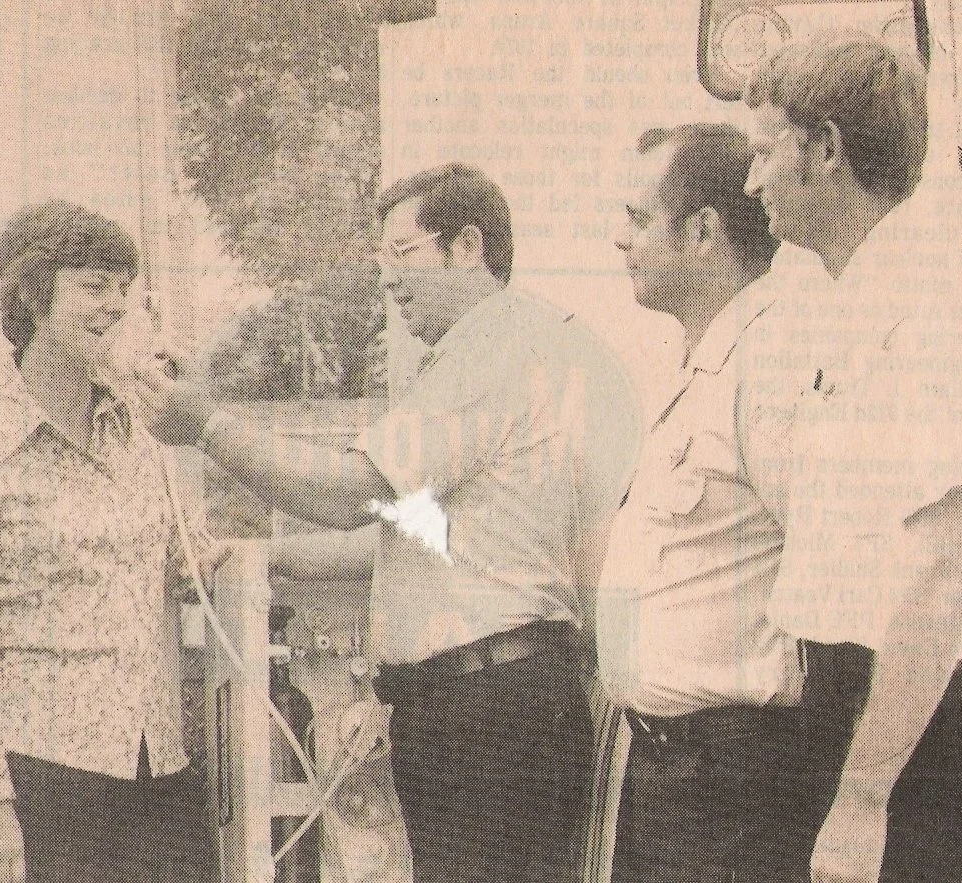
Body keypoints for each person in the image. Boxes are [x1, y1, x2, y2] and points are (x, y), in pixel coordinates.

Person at [127, 163, 641, 883]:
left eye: (403, 254)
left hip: (490, 710)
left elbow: (353, 492)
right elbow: (421, 535)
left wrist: (207, 427)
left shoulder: (490, 350)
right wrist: (265, 555)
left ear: (468, 246)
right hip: (491, 700)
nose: (388, 279)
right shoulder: (494, 350)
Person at [743, 32, 962, 883]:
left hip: (930, 739)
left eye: (762, 152)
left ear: (824, 149)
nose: (750, 180)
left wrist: (864, 799)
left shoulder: (927, 302)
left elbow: (942, 574)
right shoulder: (849, 295)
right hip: (870, 711)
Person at [0, 200, 216, 883]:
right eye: (92, 285)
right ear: (30, 297)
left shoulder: (135, 435)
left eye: (122, 288)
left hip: (152, 763)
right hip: (36, 774)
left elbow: (183, 564)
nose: (114, 305)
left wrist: (185, 410)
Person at [597, 123, 843, 882]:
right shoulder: (705, 358)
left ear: (702, 230)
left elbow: (835, 577)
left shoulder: (767, 361)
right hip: (668, 770)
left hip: (731, 779)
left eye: (637, 219)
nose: (618, 239)